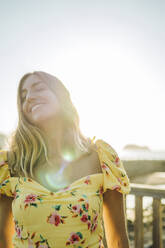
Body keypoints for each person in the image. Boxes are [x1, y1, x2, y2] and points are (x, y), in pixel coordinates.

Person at [0, 71, 131, 248]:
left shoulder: (101, 157)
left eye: (38, 88)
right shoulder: (9, 164)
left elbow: (118, 240)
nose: (29, 98)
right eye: (23, 97)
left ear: (61, 96)